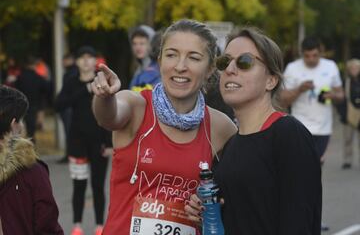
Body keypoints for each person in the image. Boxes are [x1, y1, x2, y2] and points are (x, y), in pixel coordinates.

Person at [91, 19, 237, 234]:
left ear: (209, 69)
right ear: (159, 61)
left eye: (194, 58)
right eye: (171, 55)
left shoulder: (220, 127)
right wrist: (104, 96)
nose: (180, 66)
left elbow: (239, 187)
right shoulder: (136, 106)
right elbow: (108, 117)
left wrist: (212, 204)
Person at [185, 27, 322, 234]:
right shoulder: (230, 144)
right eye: (225, 62)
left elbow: (300, 221)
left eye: (245, 62)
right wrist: (203, 209)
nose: (230, 69)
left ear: (271, 80)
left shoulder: (288, 134)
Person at [54, 46, 112, 235]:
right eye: (82, 57)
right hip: (77, 141)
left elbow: (111, 110)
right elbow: (59, 104)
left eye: (90, 57)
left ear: (95, 60)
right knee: (79, 185)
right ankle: (77, 225)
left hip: (99, 141)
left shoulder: (102, 80)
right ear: (77, 61)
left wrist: (110, 143)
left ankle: (99, 226)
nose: (86, 61)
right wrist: (85, 89)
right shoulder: (70, 80)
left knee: (97, 185)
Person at [0, 85, 63, 235]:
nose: (22, 126)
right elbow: (47, 226)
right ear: (14, 124)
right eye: (21, 120)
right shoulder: (32, 172)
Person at [281, 36, 344, 164]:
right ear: (302, 53)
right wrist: (299, 90)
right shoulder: (292, 68)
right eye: (307, 56)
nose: (311, 59)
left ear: (321, 52)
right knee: (300, 166)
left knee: (316, 165)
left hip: (323, 128)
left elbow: (341, 95)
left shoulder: (330, 66)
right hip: (299, 126)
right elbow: (283, 100)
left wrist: (333, 96)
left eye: (315, 55)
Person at [14, 56, 51, 142]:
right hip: (34, 106)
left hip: (21, 105)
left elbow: (16, 90)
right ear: (34, 65)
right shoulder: (39, 78)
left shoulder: (20, 77)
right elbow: (46, 90)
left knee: (19, 130)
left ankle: (20, 147)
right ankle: (31, 148)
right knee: (31, 131)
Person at [57, 53, 78, 164]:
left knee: (69, 132)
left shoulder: (71, 74)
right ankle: (70, 154)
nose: (63, 63)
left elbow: (67, 92)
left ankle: (70, 154)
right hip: (66, 107)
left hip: (68, 107)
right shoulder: (71, 73)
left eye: (65, 60)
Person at [340, 59, 360, 169]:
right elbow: (342, 100)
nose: (354, 70)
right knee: (348, 138)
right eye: (352, 68)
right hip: (349, 113)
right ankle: (347, 160)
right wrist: (343, 114)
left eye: (356, 67)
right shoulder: (345, 82)